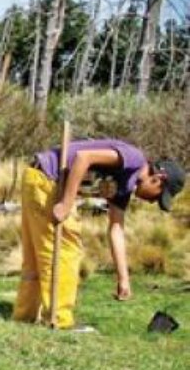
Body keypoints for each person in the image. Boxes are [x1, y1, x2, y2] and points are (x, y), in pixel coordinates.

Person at [12, 139, 184, 331]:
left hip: (36, 176)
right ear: (157, 178)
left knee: (38, 254)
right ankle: (59, 319)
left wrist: (123, 278)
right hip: (47, 179)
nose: (153, 202)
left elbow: (116, 229)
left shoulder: (125, 186)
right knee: (65, 250)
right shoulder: (134, 159)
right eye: (157, 196)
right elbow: (83, 157)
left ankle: (25, 315)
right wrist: (67, 203)